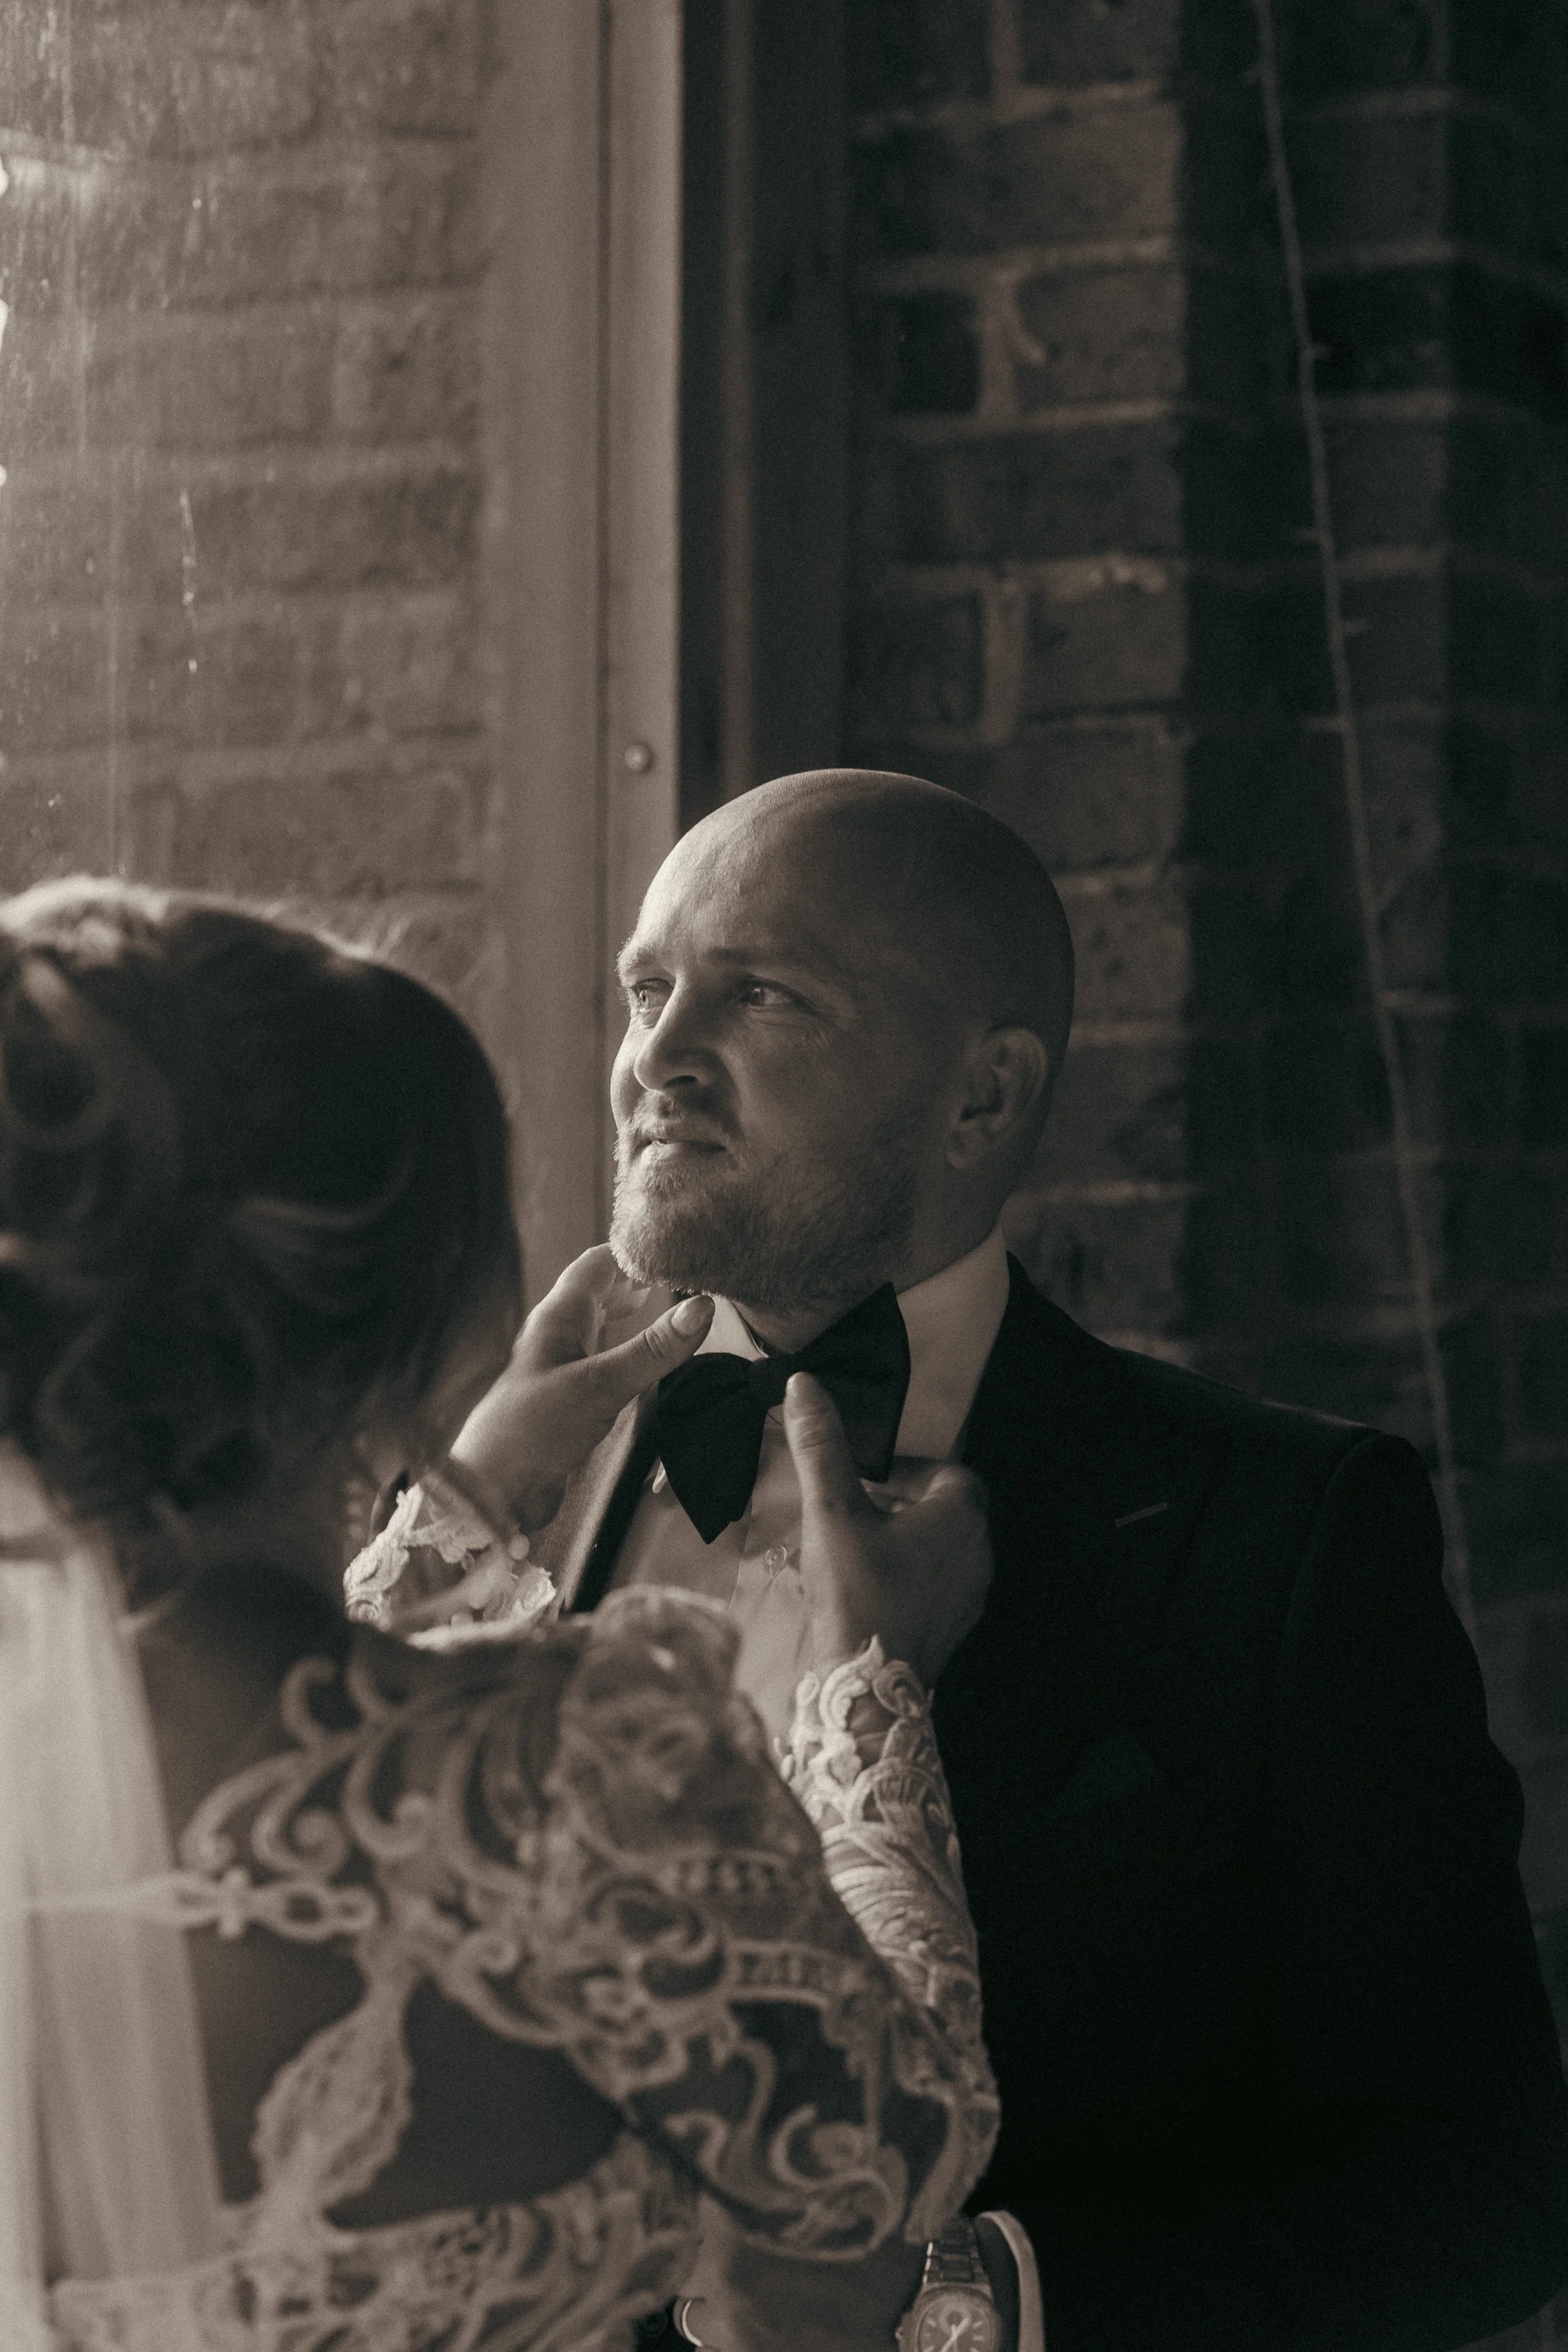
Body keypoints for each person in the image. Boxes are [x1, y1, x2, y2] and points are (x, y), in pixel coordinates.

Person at [441, 769, 1568, 2352]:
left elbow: (1480, 2187)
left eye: (760, 996)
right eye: (646, 990)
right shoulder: (488, 1493)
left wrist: (961, 2305)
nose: (656, 1059)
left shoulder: (1281, 1531)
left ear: (979, 1100)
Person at [0, 876, 1002, 2352]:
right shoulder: (571, 1766)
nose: (654, 1062)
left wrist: (445, 1524)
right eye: (643, 993)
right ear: (414, 1325)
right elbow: (884, 2164)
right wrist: (868, 1693)